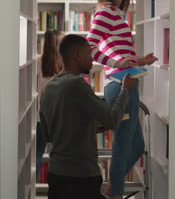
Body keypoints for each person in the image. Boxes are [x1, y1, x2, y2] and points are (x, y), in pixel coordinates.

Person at [86, 0, 158, 199]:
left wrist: (138, 60)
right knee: (122, 147)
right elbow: (90, 47)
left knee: (136, 146)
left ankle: (109, 191)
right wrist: (117, 65)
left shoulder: (117, 14)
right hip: (120, 86)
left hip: (128, 82)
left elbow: (117, 52)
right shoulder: (106, 12)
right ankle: (114, 194)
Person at [39, 34, 138, 199]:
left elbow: (50, 133)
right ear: (77, 55)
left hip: (56, 174)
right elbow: (113, 119)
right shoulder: (76, 85)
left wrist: (90, 126)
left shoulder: (48, 88)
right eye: (88, 54)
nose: (92, 59)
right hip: (80, 177)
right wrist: (125, 90)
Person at [36, 29, 64, 177]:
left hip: (41, 119)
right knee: (61, 159)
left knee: (36, 156)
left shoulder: (37, 62)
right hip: (59, 120)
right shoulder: (66, 65)